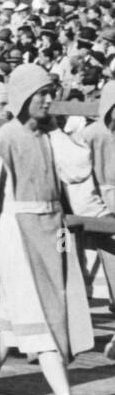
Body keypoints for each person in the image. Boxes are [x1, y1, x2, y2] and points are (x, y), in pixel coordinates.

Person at [0, 64, 108, 395]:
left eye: (50, 92)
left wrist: (55, 131)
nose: (49, 100)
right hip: (14, 239)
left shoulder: (46, 136)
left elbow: (78, 169)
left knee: (7, 326)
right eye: (42, 93)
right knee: (44, 323)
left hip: (48, 234)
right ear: (23, 97)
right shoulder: (2, 141)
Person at [72, 81, 115, 358]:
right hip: (93, 208)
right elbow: (77, 175)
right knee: (79, 269)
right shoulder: (90, 134)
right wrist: (97, 209)